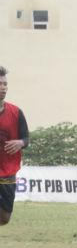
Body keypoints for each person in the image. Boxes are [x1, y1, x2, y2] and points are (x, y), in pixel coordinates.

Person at [0, 66, 29, 226]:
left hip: (8, 172)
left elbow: (26, 138)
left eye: (5, 84)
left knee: (4, 218)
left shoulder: (16, 112)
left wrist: (20, 142)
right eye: (0, 84)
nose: (3, 87)